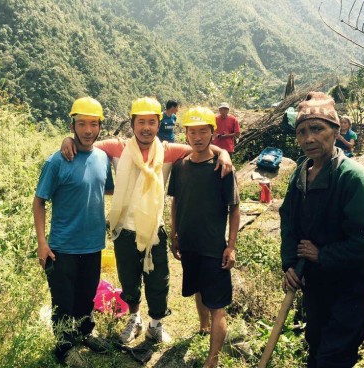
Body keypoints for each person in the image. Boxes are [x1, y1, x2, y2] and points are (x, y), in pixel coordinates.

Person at [60, 97, 233, 345]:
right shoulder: (118, 148)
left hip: (154, 229)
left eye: (151, 122)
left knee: (158, 278)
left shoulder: (169, 151)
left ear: (158, 124)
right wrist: (67, 140)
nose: (146, 128)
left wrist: (223, 152)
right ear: (132, 124)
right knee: (129, 279)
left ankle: (155, 324)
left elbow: (200, 148)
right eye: (141, 122)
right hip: (124, 230)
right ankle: (134, 319)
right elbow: (86, 140)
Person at [280, 92, 364, 368]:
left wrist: (322, 255)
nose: (308, 138)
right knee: (315, 350)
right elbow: (288, 221)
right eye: (302, 132)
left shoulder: (354, 178)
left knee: (333, 359)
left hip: (349, 290)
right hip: (315, 287)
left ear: (336, 131)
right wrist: (290, 263)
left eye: (317, 128)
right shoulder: (301, 172)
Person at [33, 97, 114, 363]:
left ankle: (84, 333)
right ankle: (64, 347)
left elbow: (107, 188)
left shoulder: (102, 157)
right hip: (62, 247)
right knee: (63, 301)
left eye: (93, 124)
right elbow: (39, 201)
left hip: (93, 244)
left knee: (87, 294)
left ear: (100, 126)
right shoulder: (57, 161)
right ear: (72, 125)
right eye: (81, 124)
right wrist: (42, 243)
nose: (87, 130)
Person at [167, 106, 240, 368]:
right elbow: (176, 202)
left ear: (213, 133)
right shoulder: (180, 166)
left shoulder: (222, 168)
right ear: (185, 134)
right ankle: (202, 325)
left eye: (203, 131)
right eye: (192, 131)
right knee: (197, 288)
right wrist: (174, 234)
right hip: (189, 245)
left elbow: (234, 208)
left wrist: (231, 246)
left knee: (217, 304)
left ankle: (213, 359)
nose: (197, 137)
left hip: (213, 248)